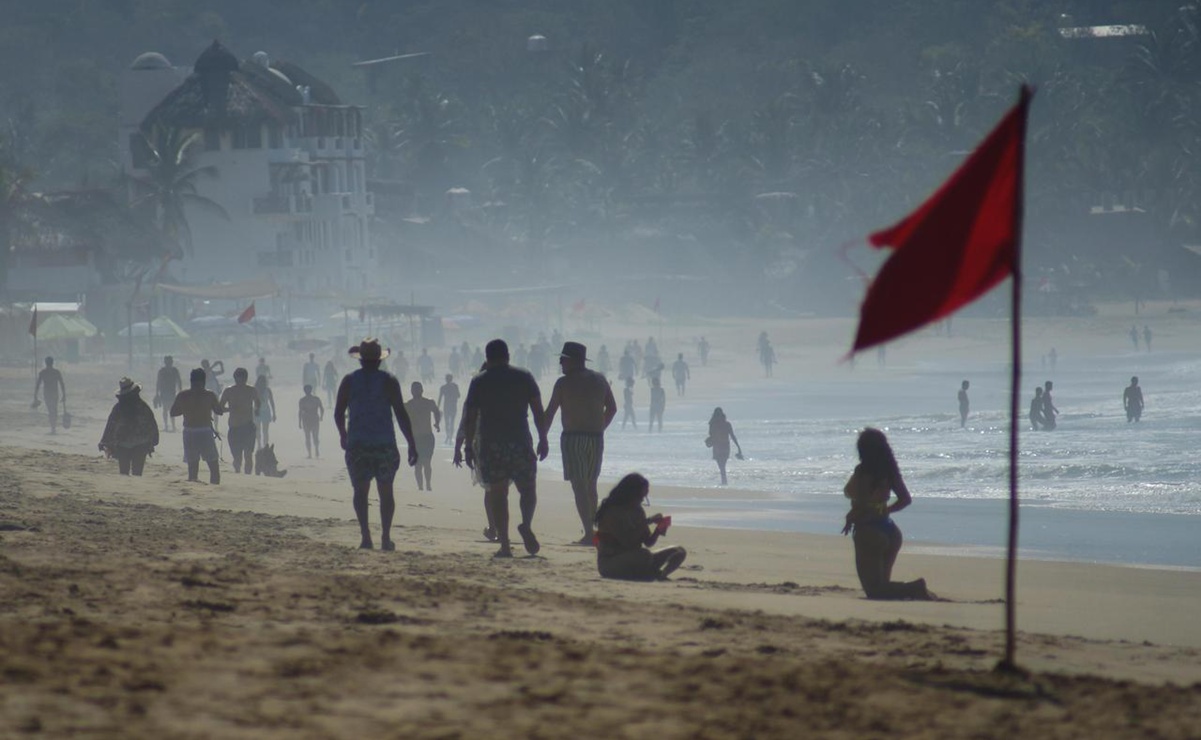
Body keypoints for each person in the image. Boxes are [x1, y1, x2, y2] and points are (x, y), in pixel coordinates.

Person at [458, 339, 549, 558]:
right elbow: (538, 411)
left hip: (492, 444)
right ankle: (526, 524)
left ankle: (505, 545)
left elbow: (470, 417)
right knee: (527, 489)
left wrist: (469, 447)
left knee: (498, 493)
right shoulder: (524, 376)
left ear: (487, 358)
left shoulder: (480, 381)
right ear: (508, 355)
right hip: (520, 441)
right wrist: (543, 438)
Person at [335, 338, 419, 551]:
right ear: (379, 360)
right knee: (386, 492)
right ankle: (385, 536)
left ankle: (365, 536)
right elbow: (400, 413)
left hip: (358, 443)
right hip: (384, 444)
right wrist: (411, 443)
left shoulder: (349, 380)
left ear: (361, 360)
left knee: (360, 491)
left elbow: (338, 413)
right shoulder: (389, 381)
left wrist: (343, 435)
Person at [841, 428, 932, 600]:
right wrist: (885, 509)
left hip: (869, 532)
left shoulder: (862, 471)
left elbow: (861, 502)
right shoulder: (890, 471)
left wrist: (851, 517)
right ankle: (914, 590)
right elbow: (905, 499)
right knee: (883, 588)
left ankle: (915, 588)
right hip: (890, 530)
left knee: (874, 591)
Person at [544, 341, 618, 544]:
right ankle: (593, 531)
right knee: (591, 486)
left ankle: (589, 533)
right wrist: (600, 427)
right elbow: (612, 409)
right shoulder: (600, 380)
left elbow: (550, 413)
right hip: (596, 438)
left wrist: (542, 438)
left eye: (563, 359)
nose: (560, 362)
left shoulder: (563, 383)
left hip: (573, 438)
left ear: (573, 361)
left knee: (579, 486)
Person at [595, 473, 686, 581]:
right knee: (644, 556)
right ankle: (651, 573)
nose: (642, 500)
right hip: (610, 562)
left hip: (635, 557)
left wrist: (658, 530)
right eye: (641, 496)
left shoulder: (638, 511)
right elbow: (627, 541)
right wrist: (647, 521)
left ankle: (662, 575)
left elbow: (648, 542)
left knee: (679, 551)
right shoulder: (612, 511)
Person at [170, 368, 224, 484]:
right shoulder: (209, 395)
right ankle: (214, 492)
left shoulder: (183, 395)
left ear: (191, 380)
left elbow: (173, 412)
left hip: (189, 432)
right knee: (214, 468)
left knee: (193, 467)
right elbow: (219, 411)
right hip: (204, 432)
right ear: (204, 381)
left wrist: (187, 410)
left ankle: (194, 488)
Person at [98, 377, 159, 476]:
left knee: (124, 473)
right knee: (137, 473)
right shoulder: (142, 406)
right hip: (141, 443)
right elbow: (151, 423)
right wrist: (153, 440)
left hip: (123, 443)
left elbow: (110, 425)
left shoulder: (119, 407)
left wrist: (104, 442)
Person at [220, 368, 260, 474]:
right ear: (235, 378)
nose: (241, 381)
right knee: (237, 457)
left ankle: (247, 476)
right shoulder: (229, 391)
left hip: (248, 427)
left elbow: (258, 402)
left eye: (243, 379)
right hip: (234, 428)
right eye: (239, 378)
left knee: (248, 455)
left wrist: (257, 410)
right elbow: (220, 408)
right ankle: (238, 473)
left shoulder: (251, 390)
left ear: (246, 378)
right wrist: (230, 409)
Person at [405, 381, 441, 491]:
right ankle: (420, 487)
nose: (416, 391)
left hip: (427, 437)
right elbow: (399, 417)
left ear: (422, 390)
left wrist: (437, 423)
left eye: (418, 389)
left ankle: (428, 484)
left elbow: (437, 411)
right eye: (414, 389)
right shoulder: (408, 405)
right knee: (417, 464)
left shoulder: (428, 402)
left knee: (426, 462)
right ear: (411, 391)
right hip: (415, 438)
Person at [707, 407, 742, 485]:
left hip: (717, 447)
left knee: (721, 465)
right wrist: (738, 447)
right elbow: (732, 436)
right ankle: (724, 481)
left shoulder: (712, 424)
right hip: (726, 446)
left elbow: (711, 434)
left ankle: (724, 482)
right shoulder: (727, 424)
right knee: (723, 465)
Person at [33, 356, 66, 434]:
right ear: (52, 363)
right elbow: (62, 384)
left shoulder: (43, 373)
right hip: (55, 393)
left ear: (45, 363)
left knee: (51, 410)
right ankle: (53, 427)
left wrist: (35, 396)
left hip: (47, 394)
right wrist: (64, 395)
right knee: (54, 410)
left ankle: (53, 427)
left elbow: (38, 385)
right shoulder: (56, 372)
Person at [154, 355, 182, 432]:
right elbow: (158, 382)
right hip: (164, 392)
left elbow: (179, 381)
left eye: (169, 361)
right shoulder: (162, 371)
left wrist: (180, 391)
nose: (169, 363)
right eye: (168, 361)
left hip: (171, 392)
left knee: (169, 409)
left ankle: (171, 426)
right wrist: (157, 393)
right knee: (166, 409)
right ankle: (167, 426)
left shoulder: (174, 370)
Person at [299, 384, 324, 457]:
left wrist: (299, 422)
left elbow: (300, 411)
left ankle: (310, 453)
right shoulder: (316, 399)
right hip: (314, 418)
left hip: (306, 419)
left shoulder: (302, 400)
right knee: (315, 436)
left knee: (308, 437)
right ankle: (316, 450)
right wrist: (321, 417)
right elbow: (322, 409)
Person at [437, 373, 461, 445]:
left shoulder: (443, 387)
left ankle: (448, 436)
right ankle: (450, 437)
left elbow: (440, 398)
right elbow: (458, 395)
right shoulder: (455, 386)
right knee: (452, 422)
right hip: (453, 406)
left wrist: (437, 407)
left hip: (446, 406)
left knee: (447, 422)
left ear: (446, 379)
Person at [254, 374, 277, 447]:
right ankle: (260, 445)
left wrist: (274, 413)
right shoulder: (255, 390)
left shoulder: (266, 390)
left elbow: (272, 402)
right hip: (259, 411)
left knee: (264, 431)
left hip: (262, 411)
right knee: (260, 430)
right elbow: (251, 400)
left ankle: (263, 445)